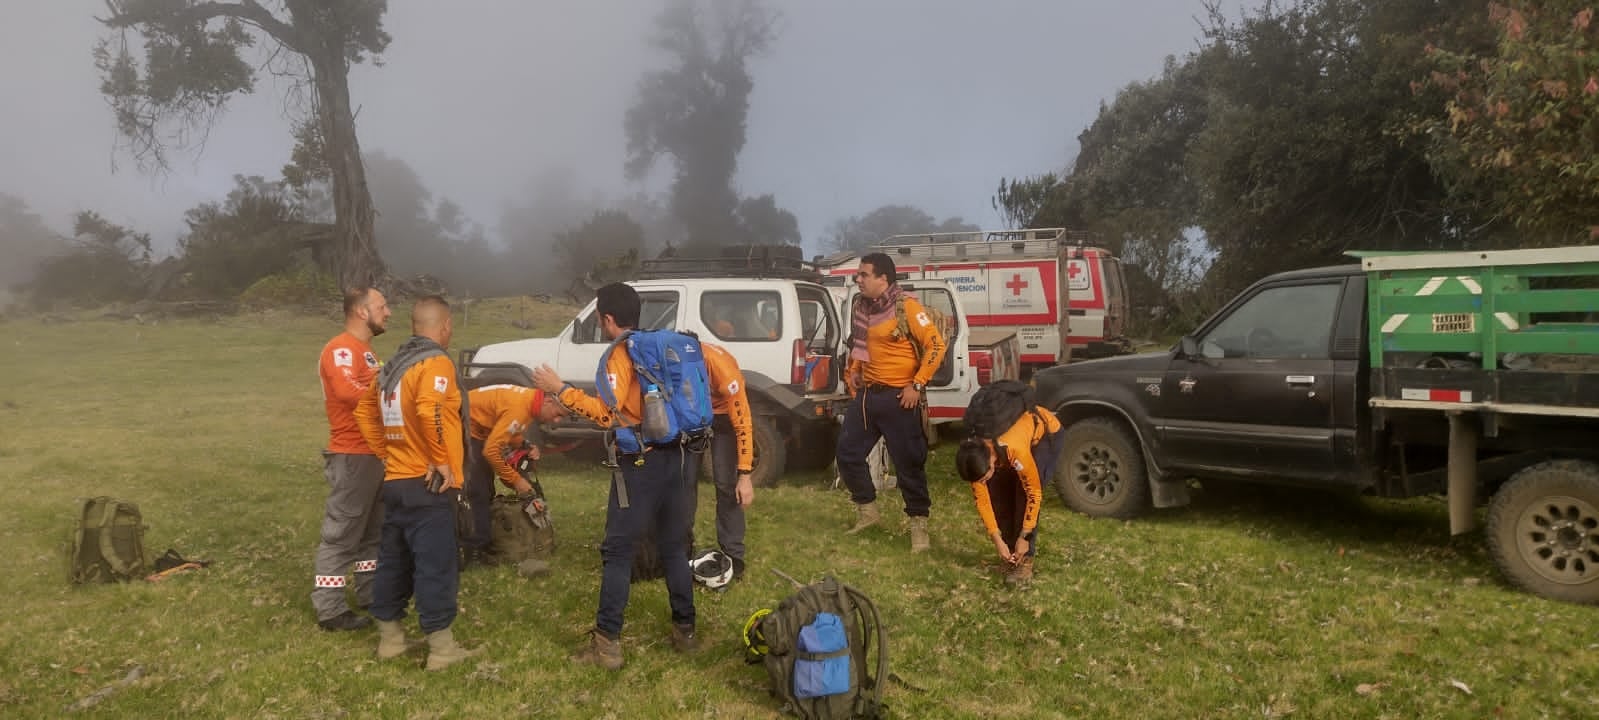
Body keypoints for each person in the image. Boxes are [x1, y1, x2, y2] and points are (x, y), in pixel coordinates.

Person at [531, 282, 752, 671]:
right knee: (673, 548)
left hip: (641, 464)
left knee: (618, 550)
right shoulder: (666, 346)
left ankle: (607, 644)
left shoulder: (620, 355)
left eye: (600, 319)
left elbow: (608, 415)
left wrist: (560, 390)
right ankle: (685, 630)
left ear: (607, 319)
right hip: (682, 459)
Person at [353, 295, 476, 671]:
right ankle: (441, 649)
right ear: (444, 326)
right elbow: (429, 408)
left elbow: (363, 412)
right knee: (435, 564)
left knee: (394, 561)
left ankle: (390, 640)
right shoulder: (435, 361)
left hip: (397, 482)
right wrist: (439, 459)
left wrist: (387, 454)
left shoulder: (392, 367)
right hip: (430, 485)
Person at [836, 253, 948, 552]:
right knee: (847, 454)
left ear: (883, 279)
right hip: (868, 396)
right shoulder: (862, 308)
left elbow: (936, 344)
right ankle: (868, 512)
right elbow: (860, 347)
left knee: (908, 464)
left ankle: (919, 528)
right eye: (858, 275)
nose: (857, 279)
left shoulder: (906, 307)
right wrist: (854, 374)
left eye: (863, 275)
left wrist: (917, 383)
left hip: (901, 398)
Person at [312, 286, 391, 632]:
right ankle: (329, 610)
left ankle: (370, 594)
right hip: (353, 455)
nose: (388, 312)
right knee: (342, 533)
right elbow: (346, 392)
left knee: (373, 532)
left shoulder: (367, 352)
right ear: (361, 311)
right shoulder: (341, 349)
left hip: (374, 455)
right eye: (382, 306)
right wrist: (387, 399)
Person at [461, 384, 568, 567]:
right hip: (461, 428)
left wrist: (524, 445)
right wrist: (516, 480)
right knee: (477, 492)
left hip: (474, 428)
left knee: (486, 489)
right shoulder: (521, 408)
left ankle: (484, 542)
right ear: (549, 401)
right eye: (558, 414)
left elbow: (507, 429)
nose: (556, 421)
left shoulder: (528, 402)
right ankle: (474, 553)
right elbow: (491, 451)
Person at [954, 406, 1062, 584]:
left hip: (1045, 435)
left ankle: (1025, 558)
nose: (981, 482)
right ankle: (1011, 555)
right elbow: (983, 502)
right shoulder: (974, 456)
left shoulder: (1015, 449)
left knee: (1022, 495)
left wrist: (1024, 536)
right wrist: (998, 540)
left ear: (991, 461)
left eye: (984, 477)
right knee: (998, 496)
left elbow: (1033, 493)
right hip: (1007, 444)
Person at [701, 341, 755, 580]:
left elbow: (743, 426)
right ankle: (678, 549)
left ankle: (733, 554)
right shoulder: (675, 360)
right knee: (683, 481)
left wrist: (745, 476)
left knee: (726, 484)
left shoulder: (723, 371)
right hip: (694, 413)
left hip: (724, 416)